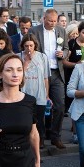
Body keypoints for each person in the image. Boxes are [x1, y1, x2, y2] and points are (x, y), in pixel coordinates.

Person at [27, 9, 69, 149]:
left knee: (60, 106)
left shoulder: (61, 31)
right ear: (44, 19)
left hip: (57, 71)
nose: (52, 23)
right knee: (40, 106)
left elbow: (66, 48)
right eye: (50, 21)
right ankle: (40, 137)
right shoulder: (34, 31)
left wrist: (62, 53)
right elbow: (30, 49)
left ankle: (55, 136)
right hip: (40, 72)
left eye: (55, 21)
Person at [19, 35, 49, 144]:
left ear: (35, 45)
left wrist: (47, 94)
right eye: (26, 46)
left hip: (39, 94)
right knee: (25, 120)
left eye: (31, 45)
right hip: (24, 94)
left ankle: (40, 141)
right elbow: (18, 76)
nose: (29, 48)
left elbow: (46, 77)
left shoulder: (42, 57)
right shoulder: (18, 57)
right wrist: (26, 63)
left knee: (39, 120)